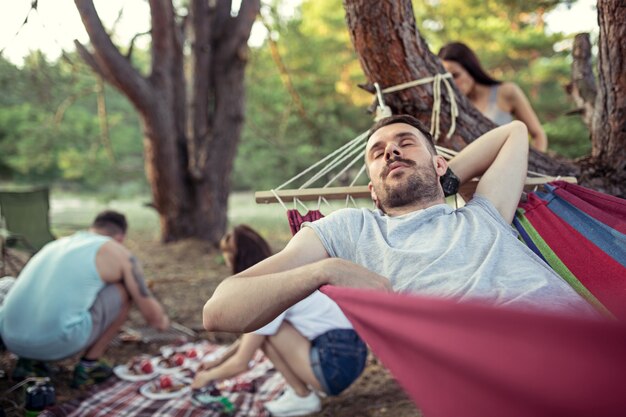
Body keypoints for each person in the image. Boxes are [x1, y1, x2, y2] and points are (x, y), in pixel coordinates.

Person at [201, 115, 598, 339]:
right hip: (491, 362)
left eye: (405, 143)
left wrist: (437, 179)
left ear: (441, 163)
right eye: (377, 152)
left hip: (585, 339)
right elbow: (218, 310)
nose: (390, 150)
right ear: (372, 189)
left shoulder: (485, 212)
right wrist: (325, 270)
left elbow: (513, 132)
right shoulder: (351, 229)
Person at [193, 225, 367, 417]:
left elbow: (241, 362)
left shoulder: (265, 292)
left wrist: (206, 378)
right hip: (351, 354)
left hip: (336, 366)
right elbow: (248, 340)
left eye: (227, 254)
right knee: (263, 331)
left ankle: (302, 397)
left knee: (266, 330)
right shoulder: (283, 273)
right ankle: (300, 393)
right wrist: (219, 360)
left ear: (236, 257)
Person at [0, 210, 169, 387]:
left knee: (11, 283)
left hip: (10, 338)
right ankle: (89, 367)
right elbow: (156, 321)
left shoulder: (57, 244)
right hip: (54, 343)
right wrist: (163, 321)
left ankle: (28, 363)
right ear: (120, 237)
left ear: (92, 228)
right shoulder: (118, 252)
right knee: (124, 290)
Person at [438, 42, 548, 152]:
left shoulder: (506, 92)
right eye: (447, 78)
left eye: (456, 75)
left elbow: (538, 135)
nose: (452, 83)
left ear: (471, 69)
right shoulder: (450, 106)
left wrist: (532, 165)